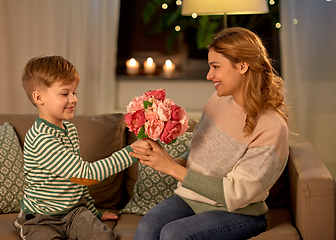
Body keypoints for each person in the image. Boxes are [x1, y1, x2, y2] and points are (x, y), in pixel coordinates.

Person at [130, 27, 289, 240]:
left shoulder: (272, 128)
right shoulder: (217, 101)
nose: (209, 75)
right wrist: (164, 160)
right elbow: (198, 155)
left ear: (242, 66)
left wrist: (170, 167)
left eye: (215, 67)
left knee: (174, 234)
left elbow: (234, 194)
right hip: (190, 198)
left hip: (238, 213)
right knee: (146, 227)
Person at [14, 55, 149, 240]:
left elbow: (76, 181)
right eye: (65, 93)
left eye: (74, 92)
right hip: (42, 218)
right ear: (39, 97)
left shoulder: (69, 129)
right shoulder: (41, 138)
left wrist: (94, 212)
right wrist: (132, 151)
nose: (73, 99)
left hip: (74, 212)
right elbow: (85, 175)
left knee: (105, 237)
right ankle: (25, 222)